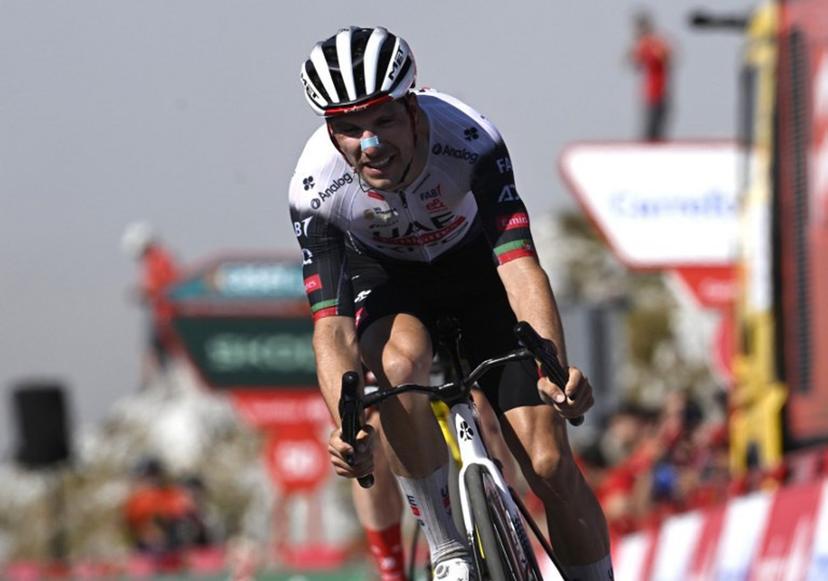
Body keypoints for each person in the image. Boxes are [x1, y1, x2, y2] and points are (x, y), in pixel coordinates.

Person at [289, 27, 612, 580]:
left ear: (412, 107)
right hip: (389, 283)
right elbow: (333, 329)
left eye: (383, 119)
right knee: (397, 365)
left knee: (552, 465)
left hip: (476, 275)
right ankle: (448, 551)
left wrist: (553, 369)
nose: (369, 145)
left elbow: (518, 266)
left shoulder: (469, 139)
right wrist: (345, 428)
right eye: (348, 128)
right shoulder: (313, 188)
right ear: (329, 130)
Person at [121, 222, 180, 385]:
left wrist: (141, 292)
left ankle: (154, 384)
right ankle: (159, 382)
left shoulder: (158, 259)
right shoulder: (158, 258)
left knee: (155, 350)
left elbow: (160, 286)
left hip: (164, 314)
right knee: (156, 350)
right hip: (162, 313)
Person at [628, 10, 672, 142]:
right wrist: (638, 44)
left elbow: (666, 57)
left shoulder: (656, 43)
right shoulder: (643, 46)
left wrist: (649, 45)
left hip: (659, 95)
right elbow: (633, 63)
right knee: (648, 134)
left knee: (655, 133)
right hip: (649, 96)